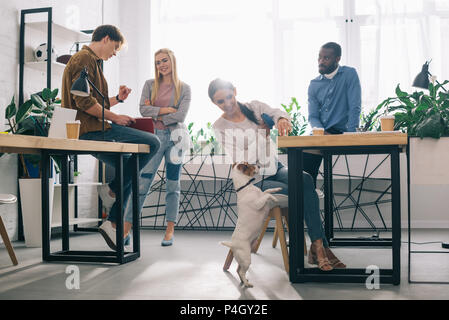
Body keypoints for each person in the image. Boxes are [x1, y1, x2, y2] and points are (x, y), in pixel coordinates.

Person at [208, 78, 346, 271]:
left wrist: (281, 119)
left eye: (229, 97)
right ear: (214, 103)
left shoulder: (254, 108)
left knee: (304, 178)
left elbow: (277, 112)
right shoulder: (220, 127)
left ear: (235, 91)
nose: (227, 103)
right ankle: (320, 249)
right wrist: (261, 135)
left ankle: (317, 245)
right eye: (220, 101)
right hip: (253, 180)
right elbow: (241, 161)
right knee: (297, 189)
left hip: (275, 167)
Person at [61, 25, 161, 251]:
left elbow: (96, 102)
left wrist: (117, 98)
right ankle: (113, 190)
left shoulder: (92, 62)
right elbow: (84, 103)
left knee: (129, 167)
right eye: (115, 47)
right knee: (153, 142)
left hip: (94, 128)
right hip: (90, 131)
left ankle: (112, 218)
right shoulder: (83, 60)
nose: (114, 53)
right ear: (106, 39)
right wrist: (115, 117)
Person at [138, 48, 191, 246]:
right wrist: (167, 110)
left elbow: (180, 116)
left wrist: (156, 113)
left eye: (164, 60)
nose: (161, 65)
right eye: (158, 62)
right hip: (154, 137)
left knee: (172, 185)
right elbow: (143, 110)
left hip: (176, 138)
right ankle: (127, 227)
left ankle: (170, 229)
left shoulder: (184, 88)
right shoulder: (149, 85)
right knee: (143, 182)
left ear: (172, 61)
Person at [305, 42, 362, 187]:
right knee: (303, 168)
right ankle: (309, 193)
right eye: (319, 57)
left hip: (343, 133)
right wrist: (321, 133)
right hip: (321, 134)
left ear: (337, 59)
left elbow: (354, 106)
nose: (321, 62)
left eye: (326, 58)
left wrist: (350, 136)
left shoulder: (349, 74)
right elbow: (313, 116)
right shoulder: (313, 84)